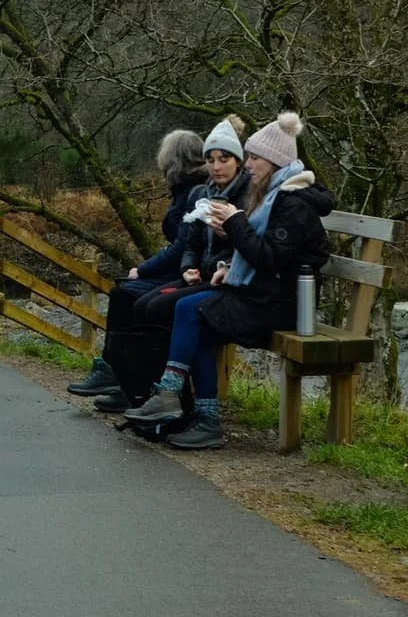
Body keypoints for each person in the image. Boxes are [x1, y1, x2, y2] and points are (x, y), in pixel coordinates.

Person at [122, 110, 333, 448]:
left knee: (191, 311)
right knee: (192, 315)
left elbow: (271, 258)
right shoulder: (274, 194)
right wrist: (228, 265)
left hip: (282, 304)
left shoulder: (293, 202)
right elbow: (257, 251)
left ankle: (174, 399)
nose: (248, 165)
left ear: (274, 162)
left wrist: (235, 223)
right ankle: (198, 415)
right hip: (262, 292)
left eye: (254, 158)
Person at [64, 117, 247, 410]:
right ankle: (126, 379)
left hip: (210, 279)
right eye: (211, 159)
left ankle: (140, 385)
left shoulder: (207, 193)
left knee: (135, 297)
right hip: (194, 272)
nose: (216, 166)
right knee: (127, 294)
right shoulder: (200, 191)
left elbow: (185, 246)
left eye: (223, 159)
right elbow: (190, 244)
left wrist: (146, 269)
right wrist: (187, 266)